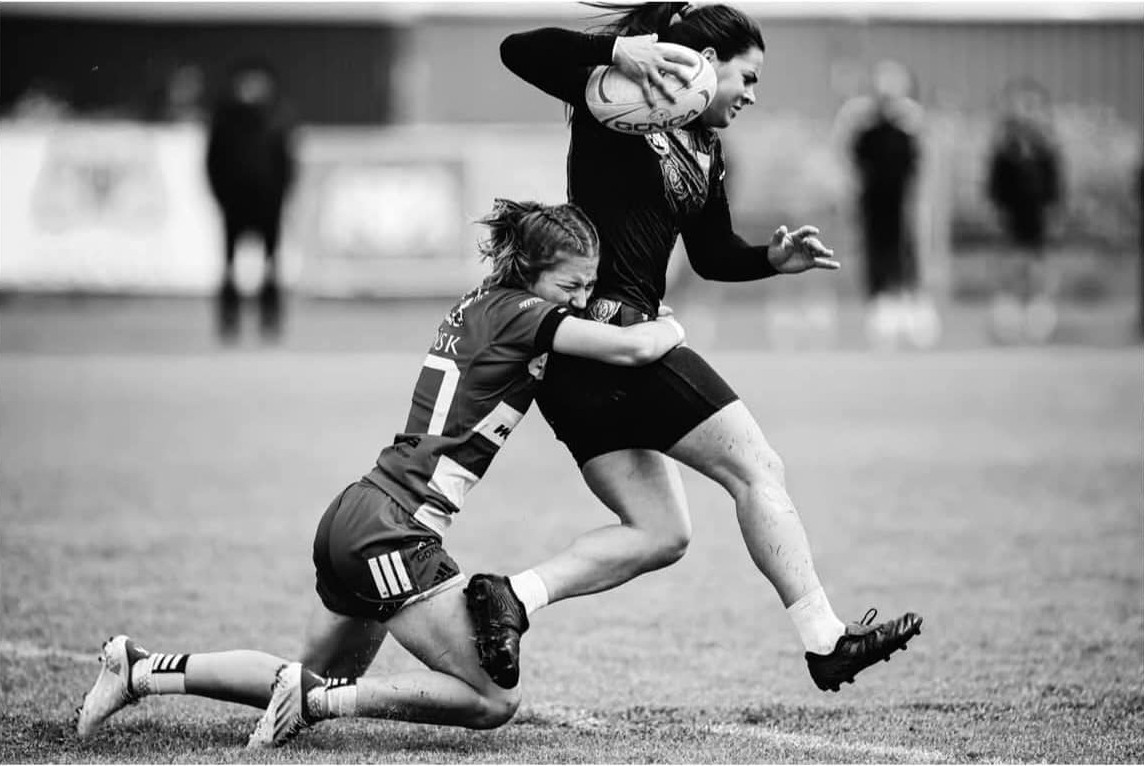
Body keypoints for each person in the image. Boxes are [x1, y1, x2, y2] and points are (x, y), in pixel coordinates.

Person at [74, 199, 688, 746]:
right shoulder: (522, 313)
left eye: (588, 285)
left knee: (309, 676)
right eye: (570, 285)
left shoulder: (486, 303)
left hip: (362, 511)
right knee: (492, 700)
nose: (580, 299)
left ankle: (140, 669)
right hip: (394, 530)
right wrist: (669, 324)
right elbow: (633, 349)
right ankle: (316, 704)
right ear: (530, 271)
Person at [464, 2, 922, 695]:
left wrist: (770, 259)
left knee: (660, 532)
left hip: (577, 364)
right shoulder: (617, 98)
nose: (753, 94)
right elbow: (516, 48)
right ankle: (826, 639)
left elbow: (711, 254)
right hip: (613, 340)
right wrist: (620, 53)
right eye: (748, 77)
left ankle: (511, 596)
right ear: (706, 64)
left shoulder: (706, 149)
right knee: (758, 468)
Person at [835, 60, 940, 350]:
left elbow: (924, 159)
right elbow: (846, 153)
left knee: (909, 253)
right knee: (876, 255)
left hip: (905, 203)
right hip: (873, 204)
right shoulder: (861, 123)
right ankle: (881, 311)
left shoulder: (911, 125)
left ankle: (913, 309)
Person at [206, 59, 296, 342]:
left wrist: (280, 195)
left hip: (268, 203)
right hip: (234, 202)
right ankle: (229, 320)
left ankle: (270, 319)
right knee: (229, 264)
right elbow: (213, 162)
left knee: (271, 264)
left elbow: (286, 163)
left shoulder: (275, 118)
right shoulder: (225, 120)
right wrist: (221, 195)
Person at [986, 78, 1064, 344]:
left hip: (1038, 220)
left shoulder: (1046, 151)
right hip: (1011, 220)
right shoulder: (1004, 150)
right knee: (1011, 272)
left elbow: (1055, 189)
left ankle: (1038, 324)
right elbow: (994, 188)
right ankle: (1008, 326)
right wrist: (996, 214)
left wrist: (1053, 215)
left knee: (1037, 273)